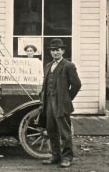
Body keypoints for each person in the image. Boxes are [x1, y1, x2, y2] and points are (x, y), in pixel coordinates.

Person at [40, 38, 81, 168]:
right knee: (51, 130)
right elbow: (45, 85)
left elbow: (76, 84)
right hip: (49, 103)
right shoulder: (47, 66)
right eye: (53, 50)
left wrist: (66, 99)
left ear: (62, 50)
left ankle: (67, 157)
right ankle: (56, 156)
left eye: (57, 50)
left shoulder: (68, 66)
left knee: (65, 132)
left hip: (61, 104)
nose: (55, 52)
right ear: (50, 52)